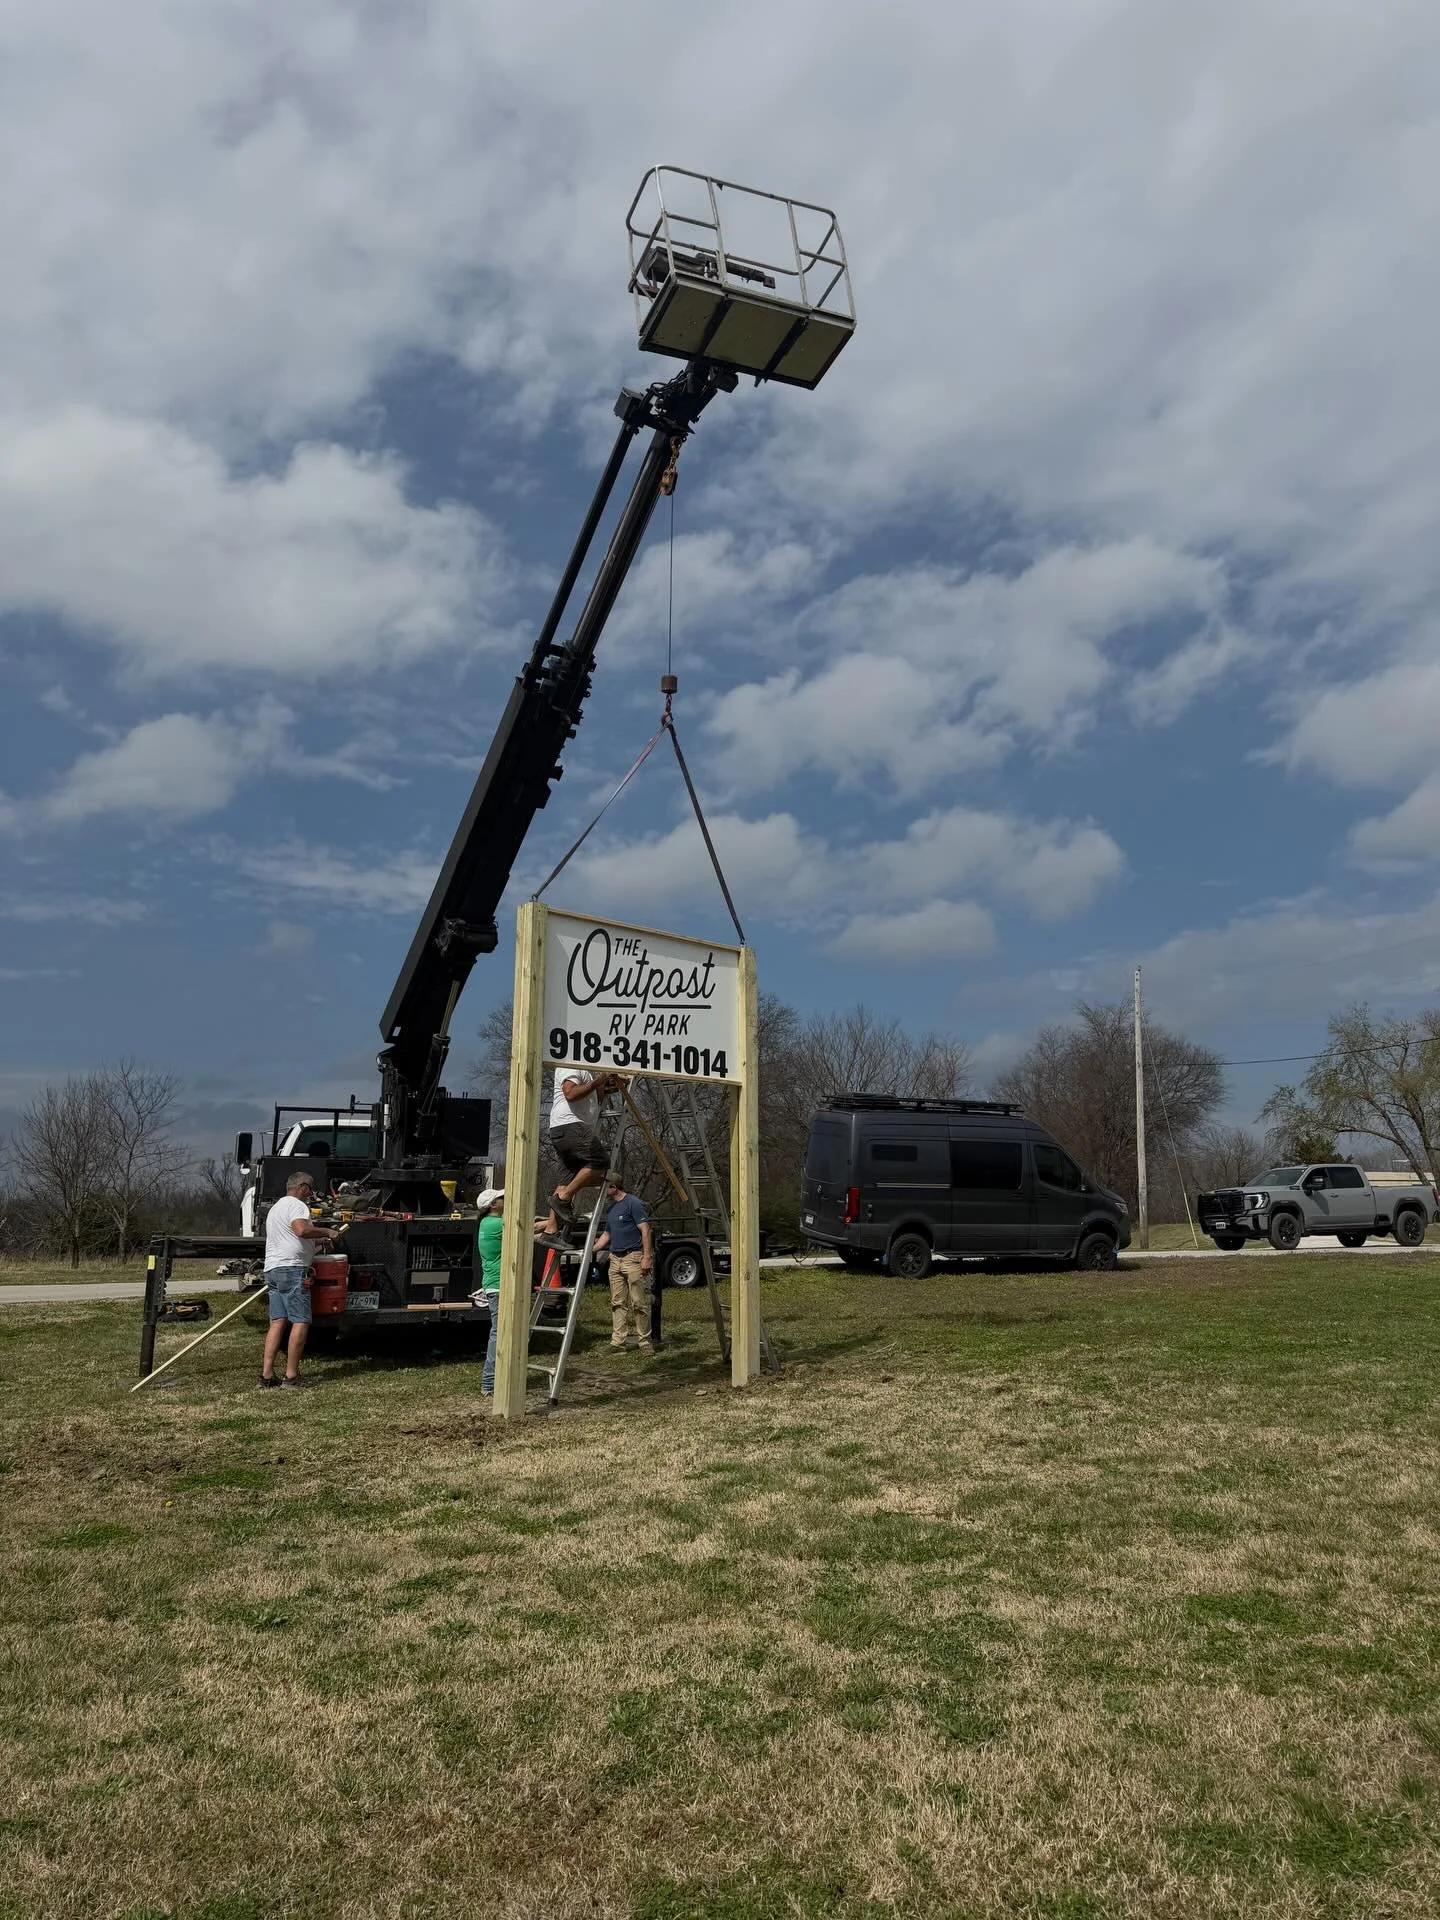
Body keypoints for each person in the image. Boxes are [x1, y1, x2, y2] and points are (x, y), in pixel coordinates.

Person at [261, 1171, 337, 1389]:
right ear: (302, 1187)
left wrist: (320, 1241)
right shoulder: (297, 1205)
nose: (310, 1194)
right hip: (292, 1270)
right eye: (310, 1190)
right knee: (301, 1321)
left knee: (277, 1321)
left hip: (273, 1269)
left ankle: (267, 1375)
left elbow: (294, 1238)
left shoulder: (276, 1208)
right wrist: (327, 1231)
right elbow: (301, 1230)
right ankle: (291, 1376)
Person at [544, 1067, 627, 1242]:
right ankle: (563, 1199)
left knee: (566, 1180)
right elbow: (570, 1093)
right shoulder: (571, 1065)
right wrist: (598, 1081)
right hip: (571, 1126)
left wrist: (611, 1084)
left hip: (564, 1129)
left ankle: (550, 1231)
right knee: (600, 1162)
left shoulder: (586, 1073)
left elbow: (594, 1096)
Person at [593, 1178, 655, 1353]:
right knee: (617, 1302)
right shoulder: (611, 1208)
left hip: (633, 1257)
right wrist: (592, 1249)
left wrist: (646, 1257)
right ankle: (618, 1342)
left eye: (606, 1187)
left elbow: (645, 1229)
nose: (604, 1190)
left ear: (614, 1187)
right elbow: (607, 1233)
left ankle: (644, 1342)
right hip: (615, 1259)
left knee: (639, 1302)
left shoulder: (633, 1203)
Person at [470, 1187, 505, 1396]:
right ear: (493, 1205)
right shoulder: (495, 1224)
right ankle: (489, 1384)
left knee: (498, 1332)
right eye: (501, 1198)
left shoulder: (486, 1223)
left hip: (493, 1285)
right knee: (499, 1333)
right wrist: (553, 1223)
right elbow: (529, 1228)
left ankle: (492, 1381)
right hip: (499, 1286)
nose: (505, 1199)